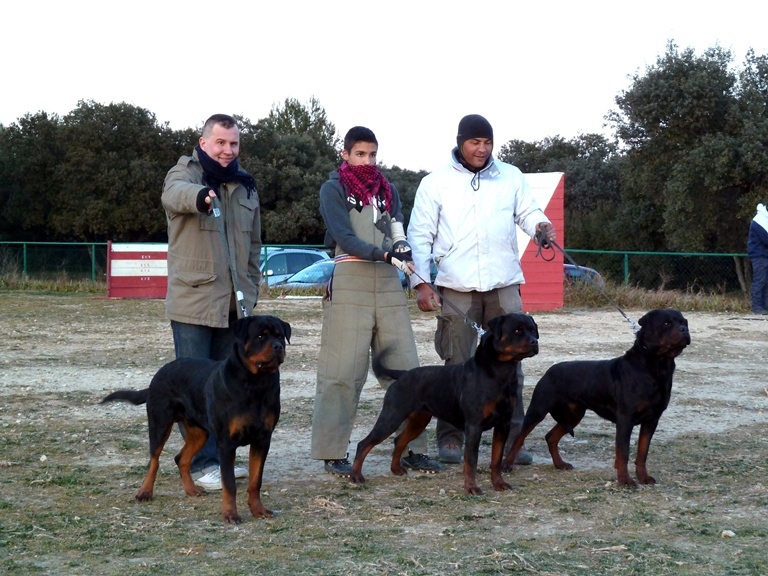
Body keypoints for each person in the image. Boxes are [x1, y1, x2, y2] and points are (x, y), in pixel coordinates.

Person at [407, 114, 556, 464]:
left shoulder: (511, 176)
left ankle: (511, 440)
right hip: (455, 285)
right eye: (475, 142)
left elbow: (528, 211)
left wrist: (540, 225)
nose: (482, 149)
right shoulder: (435, 183)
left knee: (514, 363)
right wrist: (421, 282)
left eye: (487, 143)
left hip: (503, 282)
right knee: (456, 363)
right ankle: (451, 438)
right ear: (461, 142)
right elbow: (419, 235)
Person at [310, 126, 441, 477]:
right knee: (342, 371)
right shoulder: (333, 188)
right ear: (346, 154)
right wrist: (383, 253)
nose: (367, 160)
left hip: (388, 283)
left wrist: (400, 246)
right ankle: (332, 451)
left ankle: (414, 448)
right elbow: (343, 236)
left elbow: (397, 225)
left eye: (372, 154)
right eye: (360, 154)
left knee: (408, 369)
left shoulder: (388, 190)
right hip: (351, 278)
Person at [161, 113, 262, 490]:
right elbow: (172, 196)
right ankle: (201, 462)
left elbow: (254, 245)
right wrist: (201, 197)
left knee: (227, 389)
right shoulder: (184, 174)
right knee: (195, 391)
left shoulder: (245, 185)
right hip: (193, 303)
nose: (227, 150)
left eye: (233, 144)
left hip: (234, 308)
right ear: (204, 143)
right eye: (220, 143)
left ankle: (221, 460)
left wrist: (251, 288)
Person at [748, 201, 768, 314]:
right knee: (760, 281)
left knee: (764, 281)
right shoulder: (760, 221)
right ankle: (757, 307)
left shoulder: (763, 219)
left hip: (763, 255)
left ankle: (764, 306)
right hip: (759, 255)